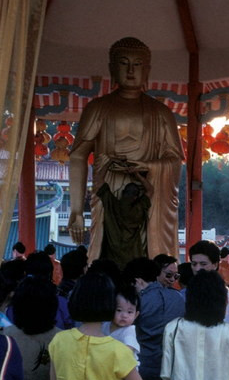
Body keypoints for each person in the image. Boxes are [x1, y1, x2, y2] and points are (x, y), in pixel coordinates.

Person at [67, 37, 183, 266]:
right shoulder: (99, 108)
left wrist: (148, 166)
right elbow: (78, 155)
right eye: (123, 63)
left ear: (147, 69)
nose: (130, 71)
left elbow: (175, 159)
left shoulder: (160, 112)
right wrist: (76, 210)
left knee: (145, 258)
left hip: (145, 200)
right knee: (106, 255)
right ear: (112, 68)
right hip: (108, 196)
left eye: (138, 64)